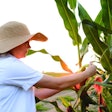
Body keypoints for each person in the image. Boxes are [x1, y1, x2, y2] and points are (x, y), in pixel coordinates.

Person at [0, 21, 96, 112]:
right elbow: (58, 83)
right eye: (27, 42)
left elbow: (38, 94)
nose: (29, 47)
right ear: (16, 43)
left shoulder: (5, 64)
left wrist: (73, 81)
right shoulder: (11, 66)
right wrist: (87, 73)